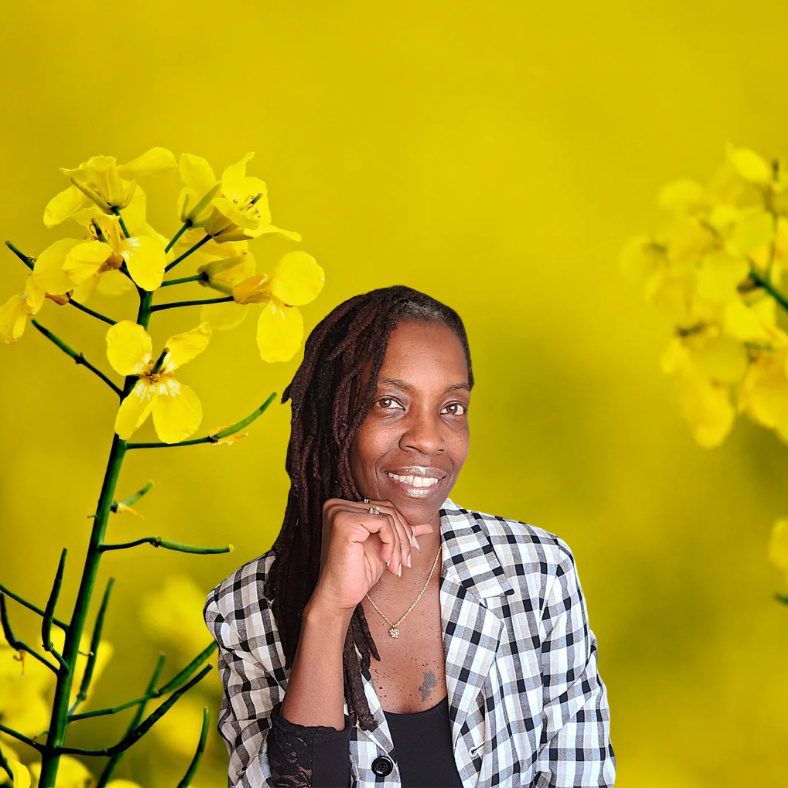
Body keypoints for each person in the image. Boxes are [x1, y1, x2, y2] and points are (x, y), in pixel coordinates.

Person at [203, 285, 616, 787]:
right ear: (334, 415)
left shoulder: (537, 573)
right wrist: (327, 613)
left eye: (452, 408)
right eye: (390, 402)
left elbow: (583, 776)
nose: (428, 438)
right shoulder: (248, 607)